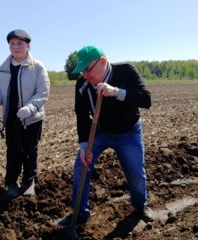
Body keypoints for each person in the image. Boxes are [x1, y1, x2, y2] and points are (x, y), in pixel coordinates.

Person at [59, 46, 153, 226]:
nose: (85, 75)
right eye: (82, 71)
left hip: (129, 132)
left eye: (87, 69)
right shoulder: (82, 85)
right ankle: (79, 213)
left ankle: (140, 206)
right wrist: (84, 145)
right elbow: (81, 115)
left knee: (135, 173)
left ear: (102, 62)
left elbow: (146, 99)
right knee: (81, 165)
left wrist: (117, 92)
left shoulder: (126, 71)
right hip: (100, 133)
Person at [0, 29, 50, 198]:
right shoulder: (3, 69)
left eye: (20, 43)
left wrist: (31, 108)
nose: (16, 47)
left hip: (31, 119)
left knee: (29, 150)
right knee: (12, 151)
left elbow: (43, 92)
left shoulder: (37, 67)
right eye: (12, 43)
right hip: (11, 118)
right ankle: (12, 182)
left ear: (28, 45)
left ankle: (28, 181)